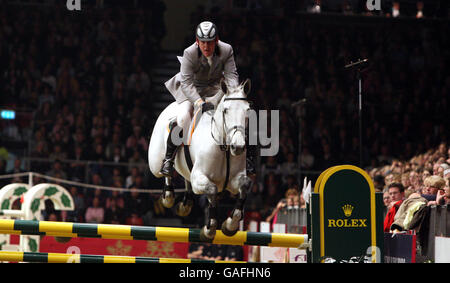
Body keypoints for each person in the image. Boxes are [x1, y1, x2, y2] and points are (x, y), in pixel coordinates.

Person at [160, 21, 255, 177]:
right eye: (202, 42)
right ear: (197, 41)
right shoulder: (189, 52)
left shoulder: (226, 49)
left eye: (209, 42)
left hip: (217, 89)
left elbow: (231, 76)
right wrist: (199, 102)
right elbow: (186, 83)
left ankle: (249, 159)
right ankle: (168, 160)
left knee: (241, 112)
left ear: (216, 40)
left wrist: (233, 94)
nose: (206, 46)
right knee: (184, 117)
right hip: (191, 90)